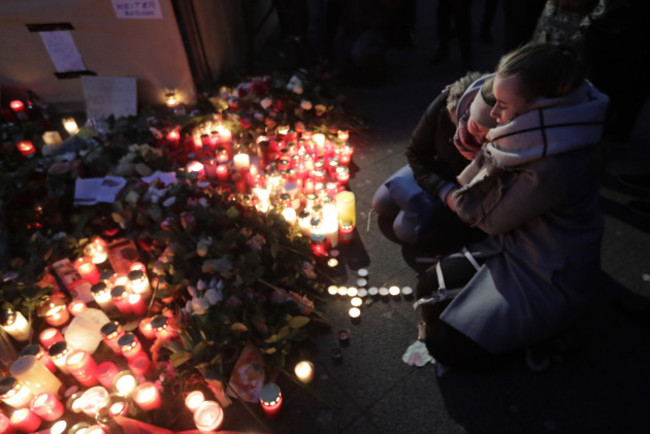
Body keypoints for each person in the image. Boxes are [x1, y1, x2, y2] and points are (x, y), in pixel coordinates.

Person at [415, 42, 610, 368]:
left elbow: (487, 218)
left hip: (547, 273)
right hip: (518, 246)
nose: (493, 115)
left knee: (443, 345)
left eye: (503, 105)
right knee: (428, 289)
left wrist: (450, 191)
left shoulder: (553, 164)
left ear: (542, 109)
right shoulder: (548, 132)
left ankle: (546, 343)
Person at [372, 71, 497, 248]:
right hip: (436, 169)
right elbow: (415, 151)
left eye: (474, 129)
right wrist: (444, 191)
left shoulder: (499, 131)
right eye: (457, 127)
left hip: (464, 190)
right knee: (381, 202)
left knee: (404, 230)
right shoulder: (445, 104)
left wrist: (455, 200)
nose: (463, 138)